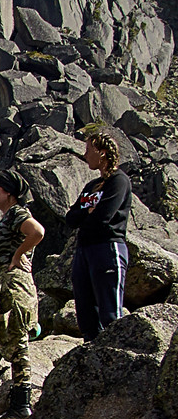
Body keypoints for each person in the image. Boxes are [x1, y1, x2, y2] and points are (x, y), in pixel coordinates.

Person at [61, 138, 138, 339]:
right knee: (86, 313)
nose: (85, 155)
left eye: (89, 150)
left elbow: (104, 217)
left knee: (110, 311)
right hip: (84, 250)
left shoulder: (119, 181)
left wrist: (85, 214)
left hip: (107, 248)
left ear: (102, 152)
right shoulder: (92, 185)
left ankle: (117, 353)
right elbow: (70, 218)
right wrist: (88, 212)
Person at [0, 172, 44, 403]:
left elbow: (37, 232)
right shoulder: (9, 216)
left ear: (9, 193)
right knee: (5, 338)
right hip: (3, 286)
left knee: (18, 342)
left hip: (14, 286)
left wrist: (18, 255)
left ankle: (22, 402)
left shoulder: (18, 213)